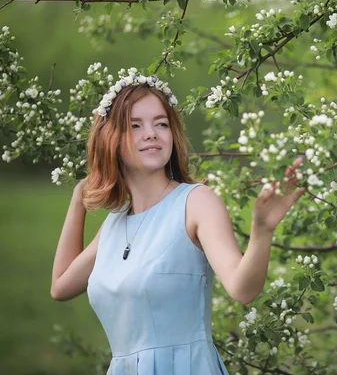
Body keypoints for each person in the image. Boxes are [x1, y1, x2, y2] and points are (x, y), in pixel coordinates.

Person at [50, 70, 307, 374]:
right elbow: (60, 287)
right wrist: (81, 194)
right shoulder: (114, 225)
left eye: (161, 123)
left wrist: (262, 231)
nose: (151, 133)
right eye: (135, 125)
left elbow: (242, 288)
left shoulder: (196, 202)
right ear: (111, 140)